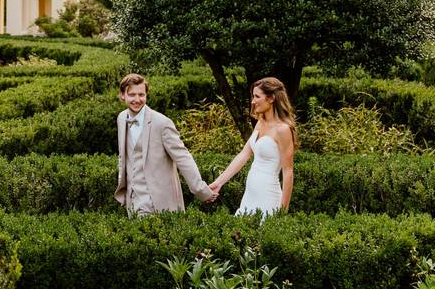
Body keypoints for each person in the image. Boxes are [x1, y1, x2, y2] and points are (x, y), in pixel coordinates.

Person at [114, 73, 217, 216]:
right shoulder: (121, 118)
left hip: (157, 200)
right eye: (132, 95)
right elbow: (123, 156)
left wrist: (201, 190)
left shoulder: (162, 123)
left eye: (141, 95)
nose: (137, 99)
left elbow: (183, 157)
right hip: (132, 200)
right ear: (122, 95)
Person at [209, 77, 297, 218]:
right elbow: (244, 155)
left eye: (257, 96)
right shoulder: (260, 122)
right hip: (250, 195)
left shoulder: (283, 129)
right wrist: (219, 182)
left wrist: (282, 212)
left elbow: (288, 172)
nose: (253, 101)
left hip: (268, 195)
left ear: (271, 98)